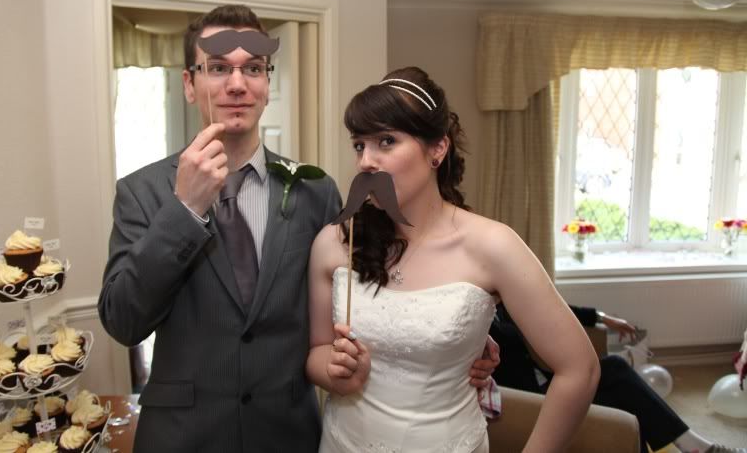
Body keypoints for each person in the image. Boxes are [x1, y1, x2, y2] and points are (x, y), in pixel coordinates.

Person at [305, 66, 601, 453]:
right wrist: (334, 370)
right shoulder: (335, 242)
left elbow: (580, 369)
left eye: (386, 141)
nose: (366, 161)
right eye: (360, 145)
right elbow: (316, 351)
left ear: (437, 149)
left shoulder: (493, 246)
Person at [97, 4, 343, 452]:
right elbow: (123, 321)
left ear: (267, 83)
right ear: (190, 84)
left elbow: (347, 309)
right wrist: (186, 208)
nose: (236, 84)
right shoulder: (142, 192)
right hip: (181, 438)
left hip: (287, 434)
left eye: (252, 68)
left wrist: (450, 349)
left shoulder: (316, 191)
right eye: (217, 68)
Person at [492, 304, 747, 453]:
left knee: (622, 386)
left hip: (549, 385)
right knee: (621, 386)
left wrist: (603, 317)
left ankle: (696, 447)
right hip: (525, 402)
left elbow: (552, 308)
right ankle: (698, 447)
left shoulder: (501, 301)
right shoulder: (476, 319)